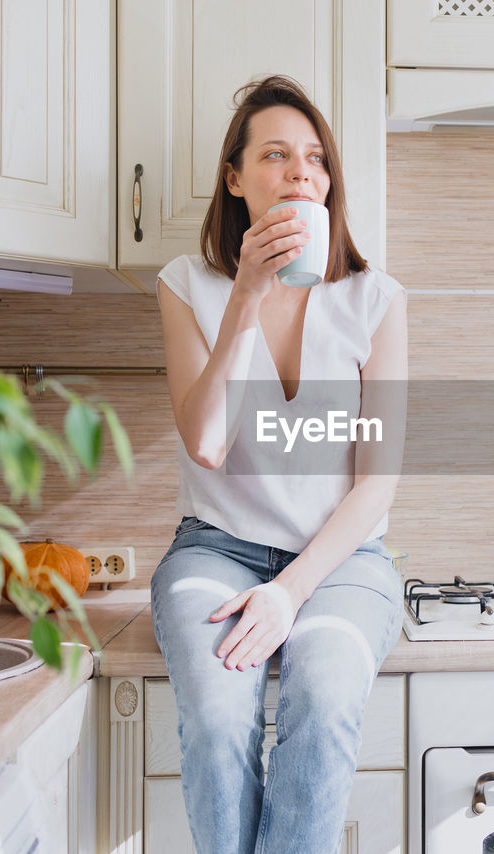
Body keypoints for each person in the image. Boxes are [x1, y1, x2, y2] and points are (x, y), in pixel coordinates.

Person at [149, 75, 407, 854]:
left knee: (324, 698)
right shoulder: (186, 286)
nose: (302, 173)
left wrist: (290, 593)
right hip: (214, 551)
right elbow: (207, 443)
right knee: (221, 710)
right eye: (276, 155)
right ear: (235, 178)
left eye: (316, 159)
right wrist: (245, 300)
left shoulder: (377, 299)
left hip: (343, 562)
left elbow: (377, 484)